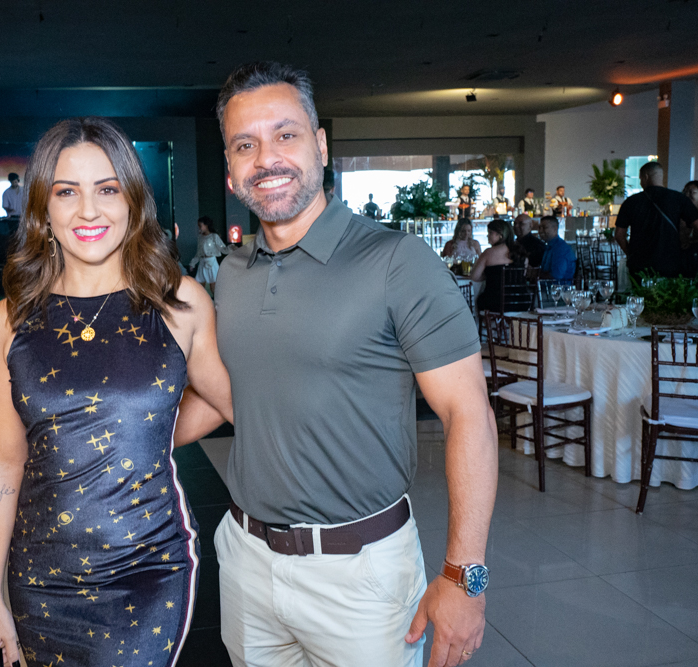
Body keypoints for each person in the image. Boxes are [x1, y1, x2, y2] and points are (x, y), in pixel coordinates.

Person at [177, 61, 497, 667]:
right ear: (230, 168)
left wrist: (465, 576)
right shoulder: (235, 275)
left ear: (321, 146)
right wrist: (115, 438)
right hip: (246, 561)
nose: (266, 158)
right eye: (245, 145)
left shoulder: (398, 261)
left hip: (361, 576)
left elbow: (468, 416)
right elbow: (224, 397)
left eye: (285, 135)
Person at [0, 117, 233, 667]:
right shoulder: (8, 322)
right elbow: (1, 464)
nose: (88, 211)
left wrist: (141, 437)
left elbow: (227, 400)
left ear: (133, 202)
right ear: (42, 209)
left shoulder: (180, 303)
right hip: (40, 577)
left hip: (148, 570)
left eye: (107, 189)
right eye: (67, 192)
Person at [615, 161, 698, 280]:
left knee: (641, 291)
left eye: (640, 179)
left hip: (640, 264)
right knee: (668, 291)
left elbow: (619, 235)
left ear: (645, 177)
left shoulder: (631, 202)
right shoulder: (679, 199)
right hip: (670, 262)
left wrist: (630, 254)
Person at [472, 219, 527, 312]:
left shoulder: (488, 253)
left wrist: (489, 275)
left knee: (480, 299)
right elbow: (523, 274)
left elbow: (474, 276)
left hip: (495, 303)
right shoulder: (520, 251)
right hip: (521, 301)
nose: (487, 235)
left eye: (490, 233)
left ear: (501, 235)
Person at [188, 215, 231, 294]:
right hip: (202, 262)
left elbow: (223, 249)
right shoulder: (200, 237)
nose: (199, 228)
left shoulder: (214, 236)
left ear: (206, 225)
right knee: (200, 285)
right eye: (198, 226)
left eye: (200, 226)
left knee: (213, 285)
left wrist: (231, 248)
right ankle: (202, 300)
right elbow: (199, 253)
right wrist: (193, 263)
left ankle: (217, 300)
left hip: (212, 262)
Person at [538, 215, 576, 282]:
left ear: (555, 229)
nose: (540, 231)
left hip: (558, 287)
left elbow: (555, 276)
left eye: (544, 227)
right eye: (539, 227)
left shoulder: (560, 249)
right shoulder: (549, 246)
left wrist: (536, 274)